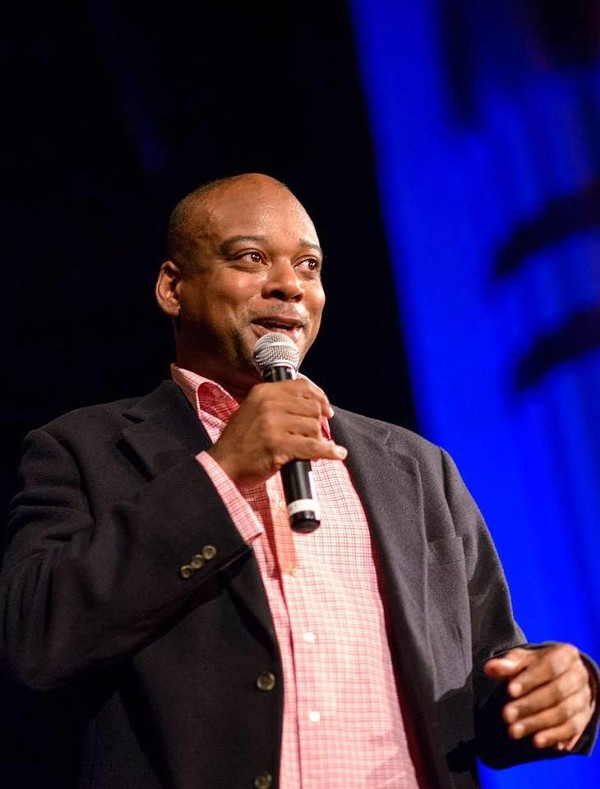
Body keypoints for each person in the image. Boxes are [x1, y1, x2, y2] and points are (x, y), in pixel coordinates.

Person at [0, 172, 597, 789]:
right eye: (251, 258)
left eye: (309, 266)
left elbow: (485, 680)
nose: (289, 285)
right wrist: (222, 474)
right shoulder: (81, 451)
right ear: (173, 288)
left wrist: (554, 691)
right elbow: (34, 641)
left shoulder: (417, 469)